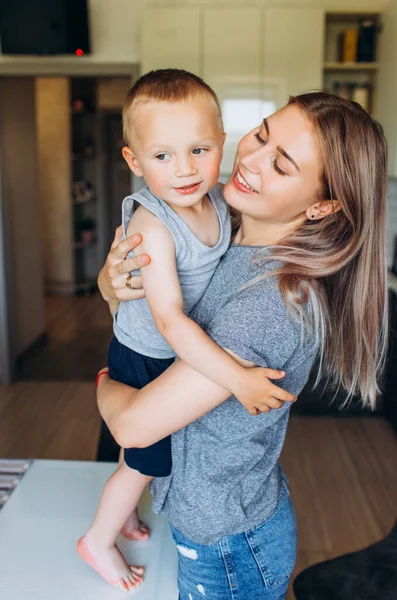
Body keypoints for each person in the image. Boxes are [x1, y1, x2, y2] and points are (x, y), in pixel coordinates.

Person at [96, 92, 389, 598]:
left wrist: (104, 383)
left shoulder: (270, 304)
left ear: (322, 205)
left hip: (229, 549)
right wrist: (109, 283)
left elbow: (132, 424)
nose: (249, 160)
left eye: (280, 164)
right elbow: (147, 324)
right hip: (211, 519)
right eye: (261, 135)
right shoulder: (221, 236)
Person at [78, 69, 294, 592]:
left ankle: (126, 518)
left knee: (148, 458)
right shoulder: (152, 223)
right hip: (147, 352)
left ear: (224, 142)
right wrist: (239, 380)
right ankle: (99, 540)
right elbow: (170, 319)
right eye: (162, 156)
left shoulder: (222, 201)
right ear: (133, 161)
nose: (184, 170)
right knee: (143, 459)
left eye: (199, 149)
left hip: (177, 352)